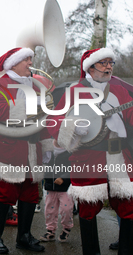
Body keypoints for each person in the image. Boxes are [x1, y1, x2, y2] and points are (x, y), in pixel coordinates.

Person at [47, 48, 133, 254]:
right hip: (89, 157)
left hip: (119, 156)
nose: (108, 67)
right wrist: (71, 125)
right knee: (87, 209)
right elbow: (54, 121)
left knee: (128, 206)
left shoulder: (120, 91)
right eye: (103, 63)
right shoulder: (74, 90)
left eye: (111, 63)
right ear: (90, 67)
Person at [0, 47, 53, 253]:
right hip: (8, 148)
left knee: (30, 195)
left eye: (31, 59)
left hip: (33, 147)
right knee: (4, 194)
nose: (30, 62)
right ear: (13, 63)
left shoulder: (36, 85)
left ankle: (24, 236)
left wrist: (47, 145)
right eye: (26, 59)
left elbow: (44, 119)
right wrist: (31, 106)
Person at [40, 139, 74, 243]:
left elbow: (73, 167)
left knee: (66, 209)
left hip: (65, 188)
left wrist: (64, 178)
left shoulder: (70, 151)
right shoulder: (49, 150)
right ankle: (50, 231)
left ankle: (66, 228)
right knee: (49, 210)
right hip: (51, 186)